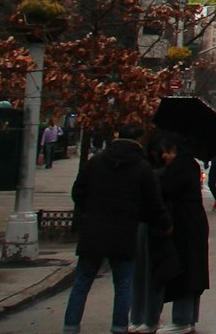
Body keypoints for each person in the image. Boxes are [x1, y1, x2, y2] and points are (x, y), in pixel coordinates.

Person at [64, 123, 168, 334]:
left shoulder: (96, 162)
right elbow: (153, 202)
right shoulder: (141, 167)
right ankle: (119, 326)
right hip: (124, 231)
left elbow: (78, 192)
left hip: (93, 230)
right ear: (139, 140)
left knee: (82, 281)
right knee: (122, 284)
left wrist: (89, 211)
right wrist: (163, 223)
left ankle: (70, 326)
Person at [134, 132, 210, 334]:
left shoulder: (180, 167)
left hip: (185, 225)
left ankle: (182, 320)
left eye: (166, 152)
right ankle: (187, 318)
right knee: (191, 270)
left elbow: (166, 189)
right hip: (193, 223)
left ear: (174, 150)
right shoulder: (189, 164)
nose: (164, 157)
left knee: (184, 270)